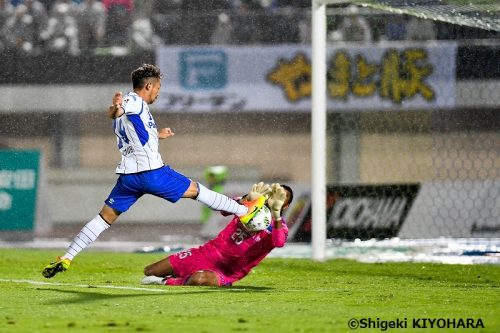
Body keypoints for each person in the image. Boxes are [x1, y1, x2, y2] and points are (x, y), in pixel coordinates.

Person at [42, 64, 268, 279]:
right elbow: (117, 110)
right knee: (196, 190)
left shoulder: (132, 113)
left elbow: (127, 126)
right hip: (151, 173)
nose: (158, 93)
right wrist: (115, 107)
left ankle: (67, 257)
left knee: (104, 218)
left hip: (128, 178)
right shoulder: (135, 101)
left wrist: (157, 134)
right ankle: (243, 211)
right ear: (148, 86)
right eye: (157, 88)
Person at [141, 183, 293, 287]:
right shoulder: (251, 205)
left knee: (199, 279)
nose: (275, 199)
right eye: (275, 194)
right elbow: (224, 210)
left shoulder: (280, 226)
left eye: (281, 198)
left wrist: (276, 215)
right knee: (150, 271)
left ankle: (167, 282)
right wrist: (245, 199)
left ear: (285, 205)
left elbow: (279, 242)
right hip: (204, 253)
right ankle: (177, 277)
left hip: (226, 271)